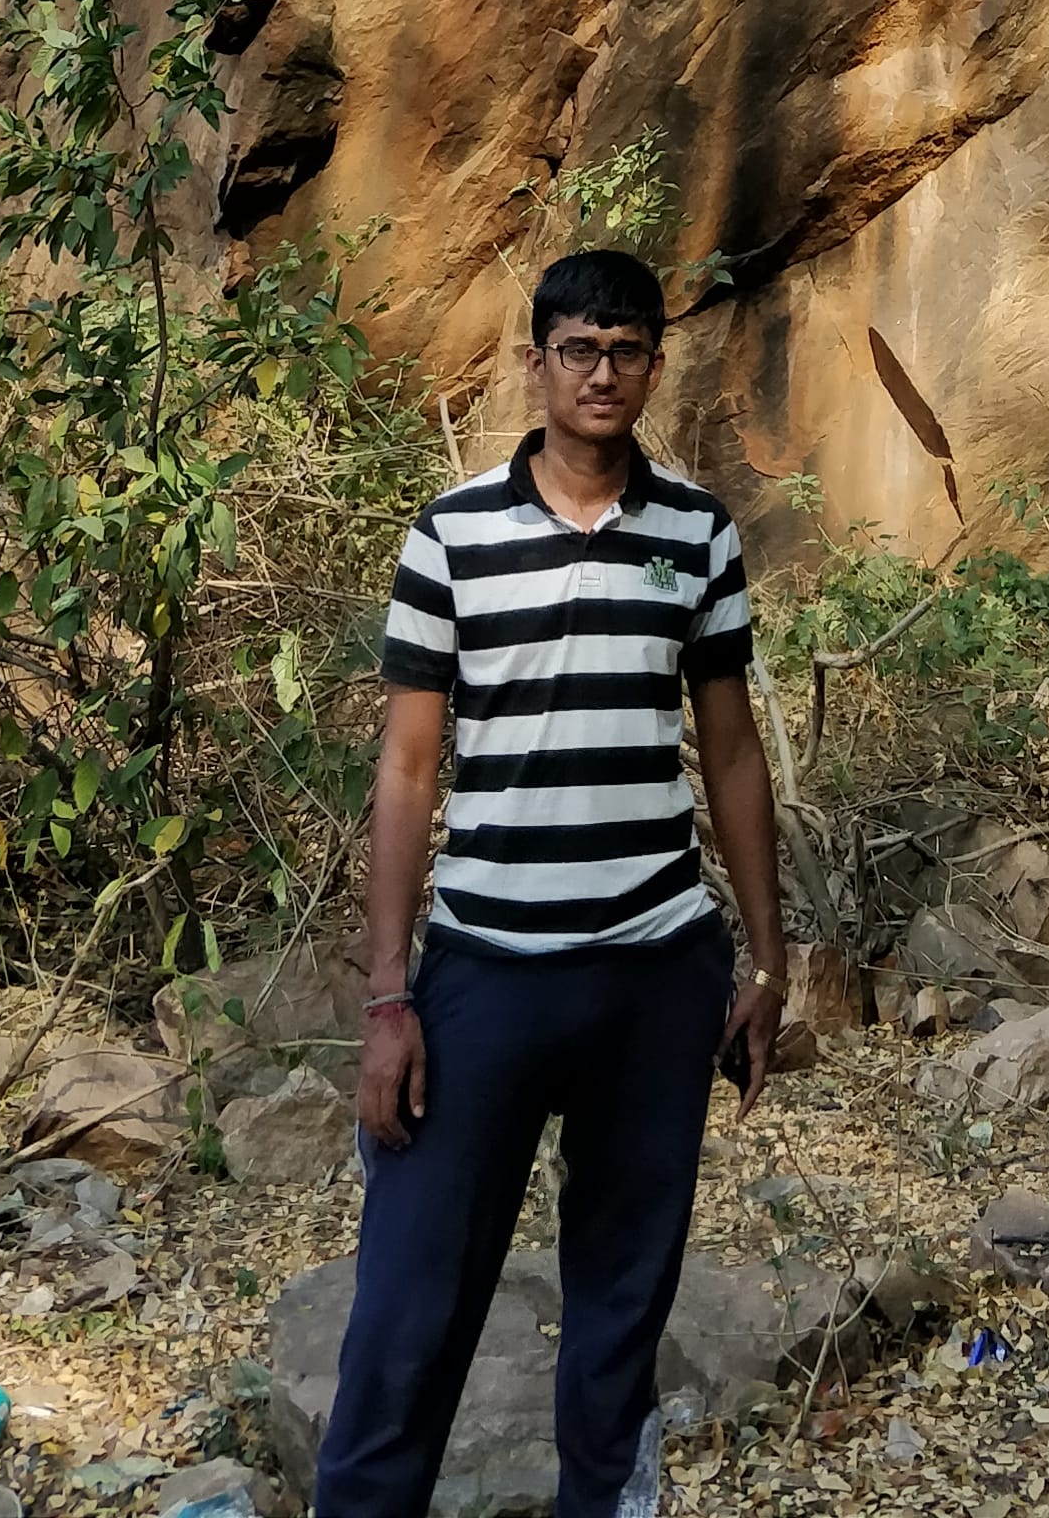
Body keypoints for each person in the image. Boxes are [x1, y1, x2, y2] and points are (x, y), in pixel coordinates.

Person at [311, 247, 786, 1518]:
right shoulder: (452, 534)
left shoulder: (696, 533)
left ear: (654, 365)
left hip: (655, 974)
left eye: (627, 349)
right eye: (577, 348)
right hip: (485, 980)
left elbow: (731, 752)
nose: (602, 373)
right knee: (409, 1310)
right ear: (535, 363)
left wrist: (765, 958)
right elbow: (409, 774)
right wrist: (388, 997)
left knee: (620, 1310)